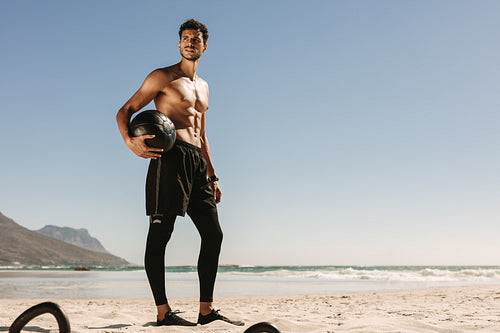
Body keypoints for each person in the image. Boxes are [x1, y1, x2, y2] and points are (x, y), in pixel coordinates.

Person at [116, 19, 243, 327]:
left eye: (195, 39)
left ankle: (206, 310)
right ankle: (163, 312)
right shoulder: (162, 77)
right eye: (185, 38)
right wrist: (130, 141)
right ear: (178, 44)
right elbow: (126, 110)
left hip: (197, 164)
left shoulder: (204, 86)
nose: (189, 43)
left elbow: (202, 133)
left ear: (204, 46)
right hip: (170, 158)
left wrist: (212, 175)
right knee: (161, 234)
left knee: (214, 234)